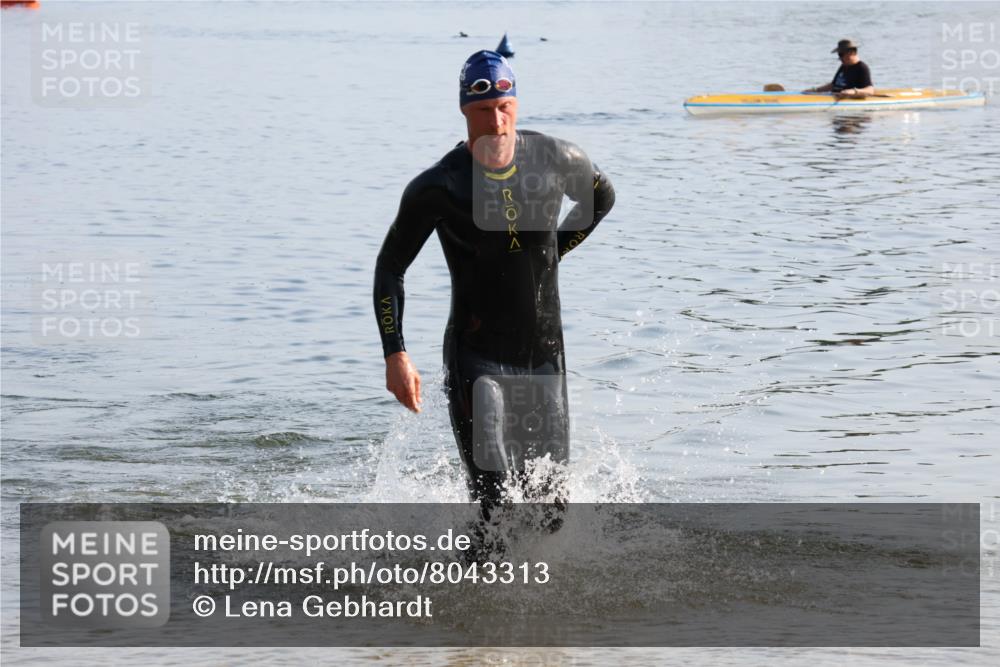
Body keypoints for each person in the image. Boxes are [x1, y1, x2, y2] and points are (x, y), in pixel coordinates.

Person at [373, 50, 616, 510]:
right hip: (477, 357)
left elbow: (601, 199)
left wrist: (554, 252)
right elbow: (390, 269)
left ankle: (525, 581)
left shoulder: (556, 158)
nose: (497, 122)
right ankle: (464, 582)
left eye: (505, 109)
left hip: (543, 356)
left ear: (516, 106)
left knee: (551, 512)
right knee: (495, 503)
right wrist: (396, 354)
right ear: (465, 110)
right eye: (483, 111)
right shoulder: (439, 187)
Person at [804, 39, 874, 98]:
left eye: (841, 55)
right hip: (834, 95)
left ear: (851, 53)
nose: (839, 58)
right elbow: (833, 85)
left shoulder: (862, 68)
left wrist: (853, 91)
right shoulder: (843, 66)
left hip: (847, 99)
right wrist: (815, 90)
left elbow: (870, 90)